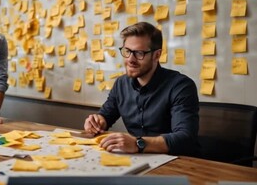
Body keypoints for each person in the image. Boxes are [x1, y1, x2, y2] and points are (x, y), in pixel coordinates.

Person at [84, 22, 199, 156]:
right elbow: (105, 115)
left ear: (157, 55)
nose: (130, 60)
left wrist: (137, 143)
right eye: (127, 51)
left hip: (179, 162)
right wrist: (97, 122)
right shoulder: (121, 83)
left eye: (139, 53)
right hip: (137, 160)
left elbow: (185, 139)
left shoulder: (181, 86)